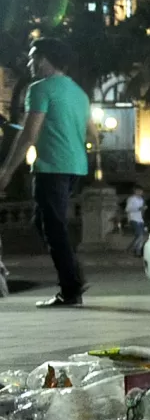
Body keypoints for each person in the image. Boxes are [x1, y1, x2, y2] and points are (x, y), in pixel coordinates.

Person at [0, 37, 95, 307]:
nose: (29, 63)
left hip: (52, 168)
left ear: (43, 59)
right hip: (75, 167)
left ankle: (71, 288)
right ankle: (73, 276)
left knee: (53, 227)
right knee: (43, 223)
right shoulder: (78, 92)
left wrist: (6, 172)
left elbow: (29, 134)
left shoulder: (39, 89)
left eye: (32, 57)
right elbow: (93, 134)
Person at [125, 183, 147, 257]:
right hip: (133, 219)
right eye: (139, 191)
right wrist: (138, 209)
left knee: (140, 236)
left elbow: (141, 210)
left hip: (140, 219)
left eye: (141, 191)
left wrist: (143, 209)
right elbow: (127, 209)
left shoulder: (141, 200)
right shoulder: (131, 199)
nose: (140, 192)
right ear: (135, 191)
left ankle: (137, 251)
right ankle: (132, 249)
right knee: (140, 235)